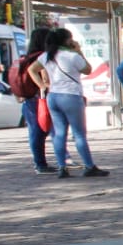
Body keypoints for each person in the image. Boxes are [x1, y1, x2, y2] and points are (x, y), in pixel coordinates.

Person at [27, 28, 109, 178]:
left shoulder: (46, 56)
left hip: (53, 96)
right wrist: (79, 51)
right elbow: (88, 70)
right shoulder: (72, 56)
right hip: (71, 96)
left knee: (59, 133)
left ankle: (62, 167)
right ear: (67, 40)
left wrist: (42, 85)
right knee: (79, 134)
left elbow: (32, 69)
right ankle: (89, 166)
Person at [17, 27, 53, 174]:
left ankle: (40, 163)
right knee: (41, 132)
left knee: (34, 132)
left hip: (28, 99)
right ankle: (41, 164)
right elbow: (45, 78)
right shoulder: (42, 57)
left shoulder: (26, 57)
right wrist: (44, 85)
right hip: (40, 99)